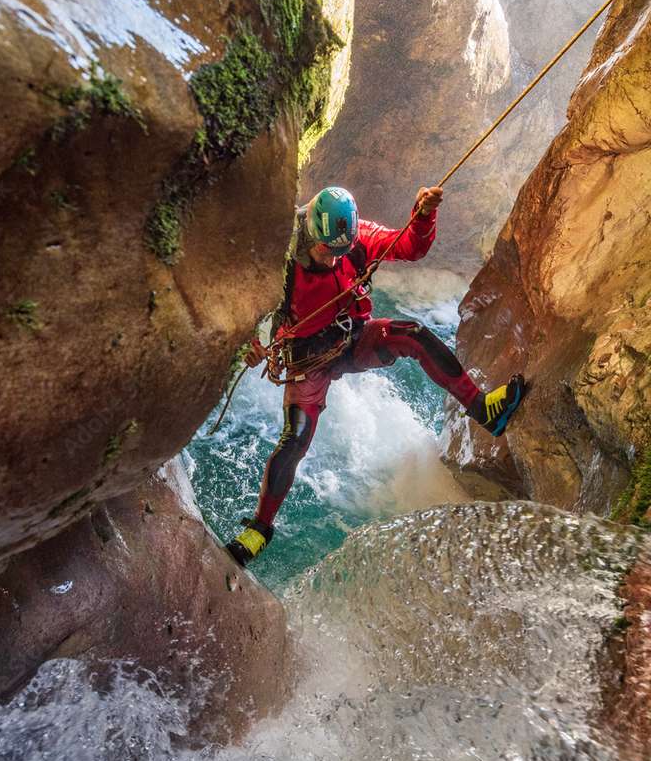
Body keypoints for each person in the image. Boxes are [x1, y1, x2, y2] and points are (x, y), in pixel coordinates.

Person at [225, 186, 525, 568]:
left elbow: (409, 247)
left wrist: (423, 215)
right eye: (326, 252)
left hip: (353, 337)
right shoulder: (281, 259)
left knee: (412, 335)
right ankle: (259, 530)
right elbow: (243, 304)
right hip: (307, 360)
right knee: (295, 437)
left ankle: (484, 409)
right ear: (310, 235)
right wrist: (248, 344)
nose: (334, 260)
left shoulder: (355, 238)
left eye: (340, 252)